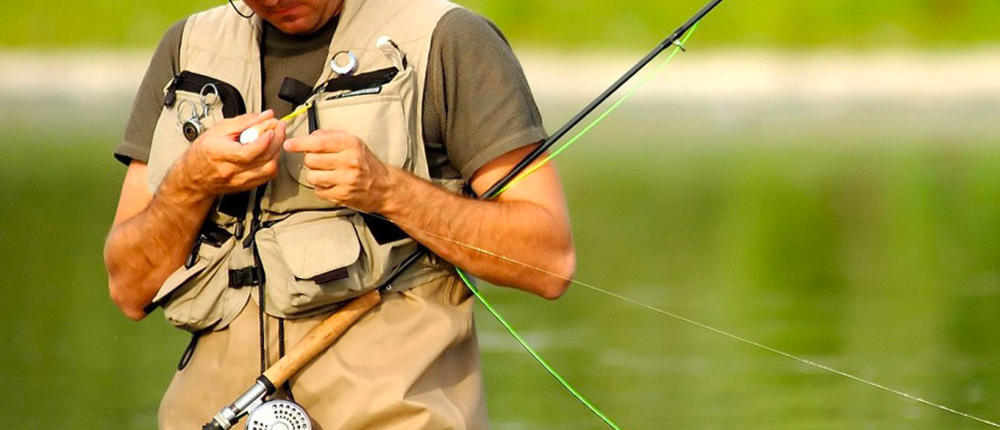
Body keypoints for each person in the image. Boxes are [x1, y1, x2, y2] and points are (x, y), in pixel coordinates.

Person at [103, 0, 575, 428]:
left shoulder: (450, 39)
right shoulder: (185, 47)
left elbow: (549, 262)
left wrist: (387, 190)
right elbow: (129, 290)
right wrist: (190, 184)